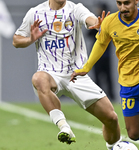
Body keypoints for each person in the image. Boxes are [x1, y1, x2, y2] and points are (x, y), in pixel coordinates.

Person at [12, 0, 121, 149]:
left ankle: (114, 146)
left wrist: (98, 23)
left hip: (76, 75)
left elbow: (90, 20)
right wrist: (31, 39)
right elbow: (16, 40)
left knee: (111, 118)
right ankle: (64, 127)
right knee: (38, 78)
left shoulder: (76, 9)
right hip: (50, 74)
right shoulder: (35, 13)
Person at [70, 0, 139, 149]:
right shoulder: (110, 22)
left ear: (136, 1)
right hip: (128, 79)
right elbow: (101, 43)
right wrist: (86, 67)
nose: (123, 8)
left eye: (127, 3)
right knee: (133, 133)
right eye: (119, 3)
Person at [87, 2, 115, 100]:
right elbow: (89, 34)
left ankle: (111, 96)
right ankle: (98, 95)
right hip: (97, 55)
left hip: (106, 55)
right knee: (97, 77)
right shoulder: (95, 22)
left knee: (108, 76)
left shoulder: (109, 23)